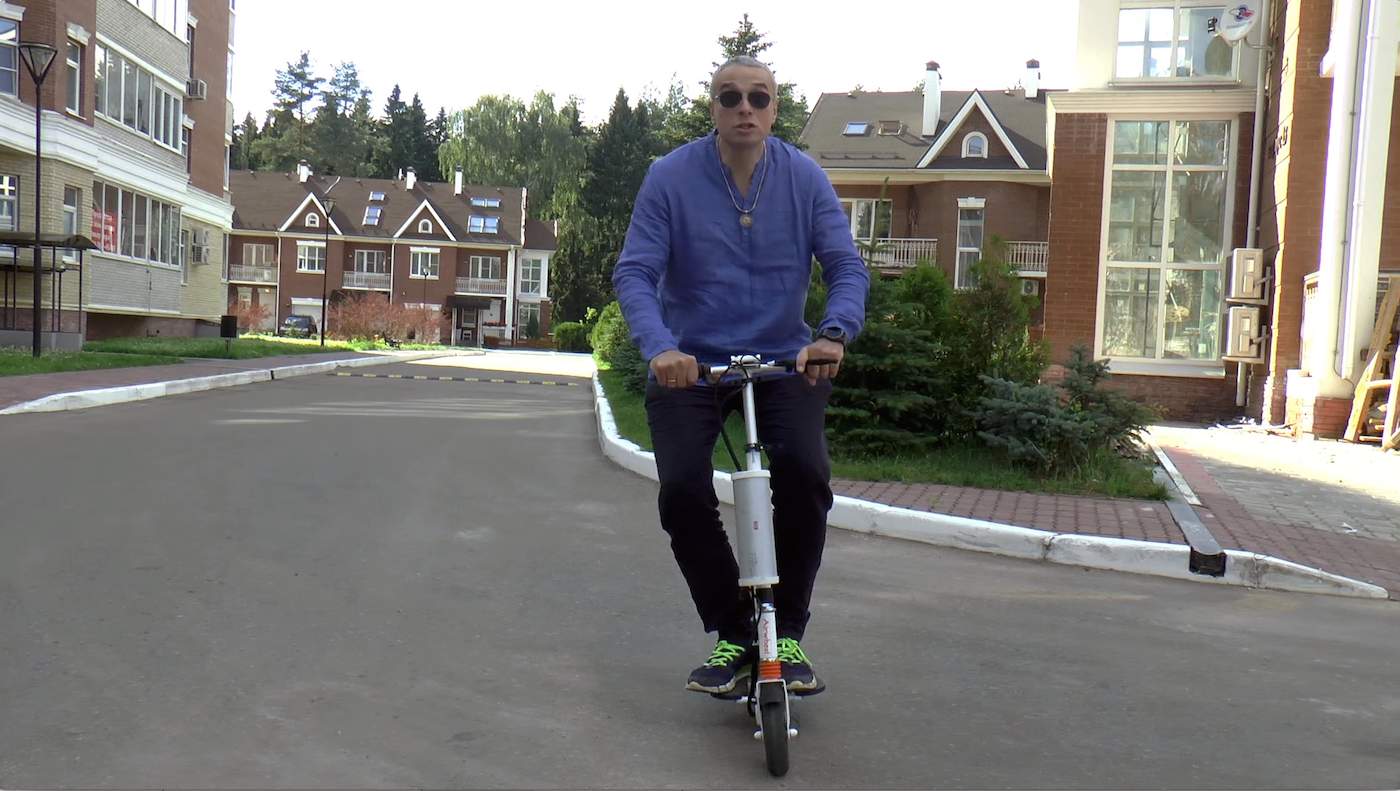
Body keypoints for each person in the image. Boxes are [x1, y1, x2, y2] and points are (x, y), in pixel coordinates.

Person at [612, 55, 870, 695]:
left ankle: (787, 635)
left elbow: (845, 266)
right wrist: (660, 348)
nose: (745, 107)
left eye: (759, 97)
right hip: (691, 366)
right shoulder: (670, 177)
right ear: (714, 108)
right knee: (681, 490)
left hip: (785, 361)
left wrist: (832, 335)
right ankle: (734, 632)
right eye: (730, 97)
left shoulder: (805, 178)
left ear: (775, 109)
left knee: (805, 475)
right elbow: (636, 271)